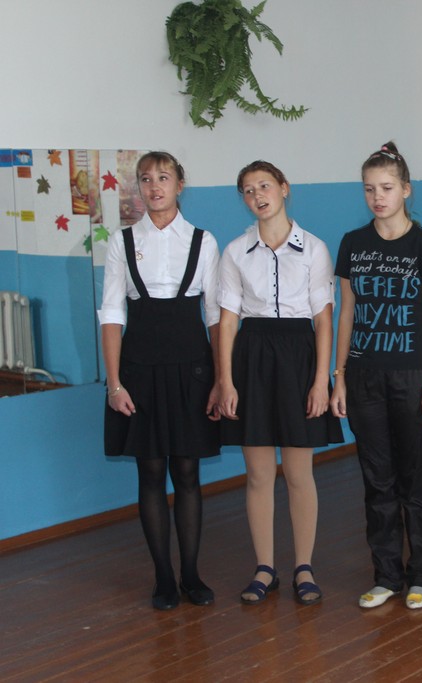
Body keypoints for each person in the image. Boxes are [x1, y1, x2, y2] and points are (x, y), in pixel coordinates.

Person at [218, 160, 344, 606]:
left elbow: (323, 320)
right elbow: (227, 321)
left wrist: (320, 381)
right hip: (251, 358)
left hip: (298, 358)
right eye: (248, 190)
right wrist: (226, 380)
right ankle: (265, 568)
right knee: (257, 474)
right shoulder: (235, 251)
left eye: (265, 186)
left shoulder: (314, 249)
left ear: (284, 189)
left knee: (298, 473)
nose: (258, 196)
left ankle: (303, 567)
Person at [101, 151, 221, 610]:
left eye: (163, 178)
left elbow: (215, 315)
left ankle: (191, 574)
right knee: (150, 471)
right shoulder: (123, 241)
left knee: (187, 471)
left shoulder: (203, 241)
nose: (155, 187)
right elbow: (112, 314)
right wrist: (114, 384)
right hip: (140, 371)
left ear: (179, 184)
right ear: (139, 187)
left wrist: (221, 379)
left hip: (193, 369)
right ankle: (164, 578)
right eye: (146, 179)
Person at [331, 142, 422, 610]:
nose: (377, 197)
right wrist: (339, 376)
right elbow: (347, 312)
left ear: (405, 190)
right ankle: (386, 575)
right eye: (369, 189)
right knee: (376, 481)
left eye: (386, 188)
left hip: (411, 378)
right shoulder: (352, 244)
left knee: (414, 481)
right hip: (364, 378)